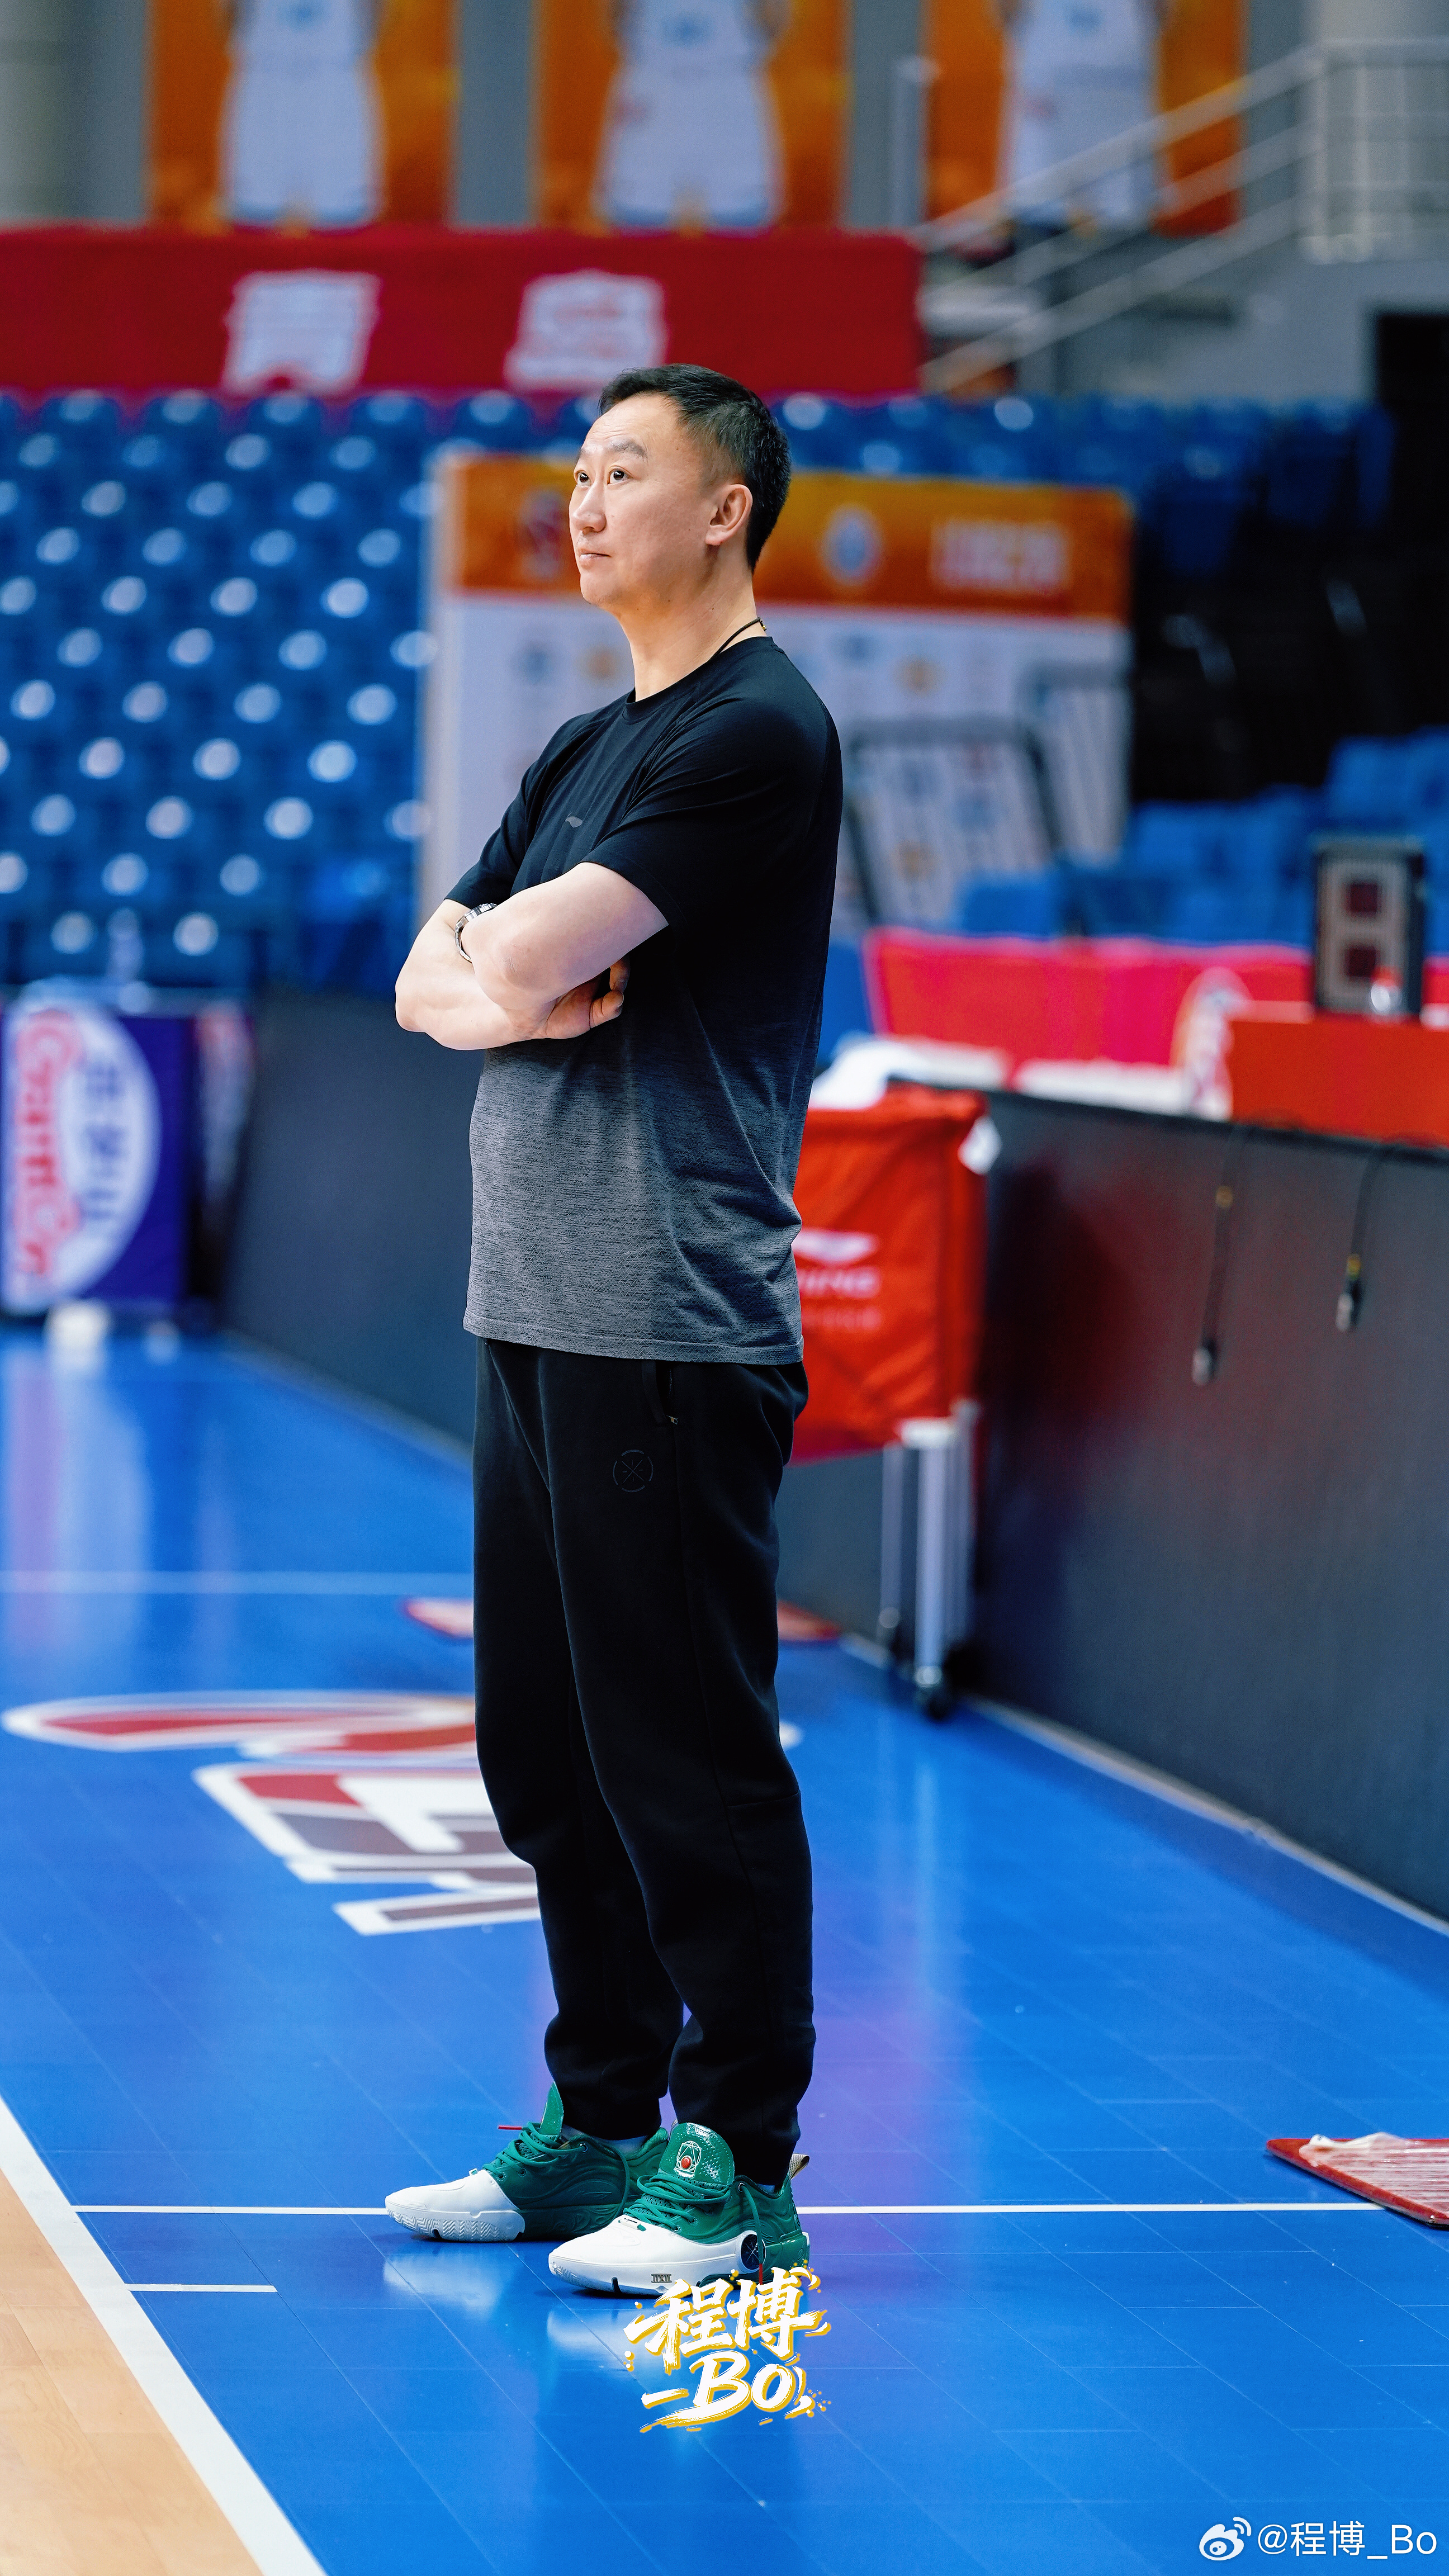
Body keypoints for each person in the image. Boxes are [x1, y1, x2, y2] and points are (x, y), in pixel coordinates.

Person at [384, 364, 840, 2295]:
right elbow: (428, 976)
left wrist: (503, 969)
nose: (582, 501)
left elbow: (518, 949)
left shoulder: (754, 731)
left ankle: (738, 2162)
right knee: (550, 1754)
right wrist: (497, 977)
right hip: (532, 1304)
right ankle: (599, 2124)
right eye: (576, 471)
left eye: (624, 470)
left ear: (725, 506)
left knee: (686, 1754)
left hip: (664, 1314)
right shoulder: (592, 738)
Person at [594, 0, 788, 231]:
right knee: (637, 228)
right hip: (655, 96)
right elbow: (613, 22)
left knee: (739, 230)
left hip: (727, 96)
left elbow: (775, 23)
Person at [995, 0, 1175, 229]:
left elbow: (1160, 16)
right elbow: (1005, 15)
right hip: (1050, 114)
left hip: (1118, 105)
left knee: (1122, 216)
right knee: (1042, 214)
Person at [220, 0, 383, 229]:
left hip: (333, 86)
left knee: (343, 226)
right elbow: (227, 19)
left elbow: (374, 19)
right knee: (254, 223)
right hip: (268, 85)